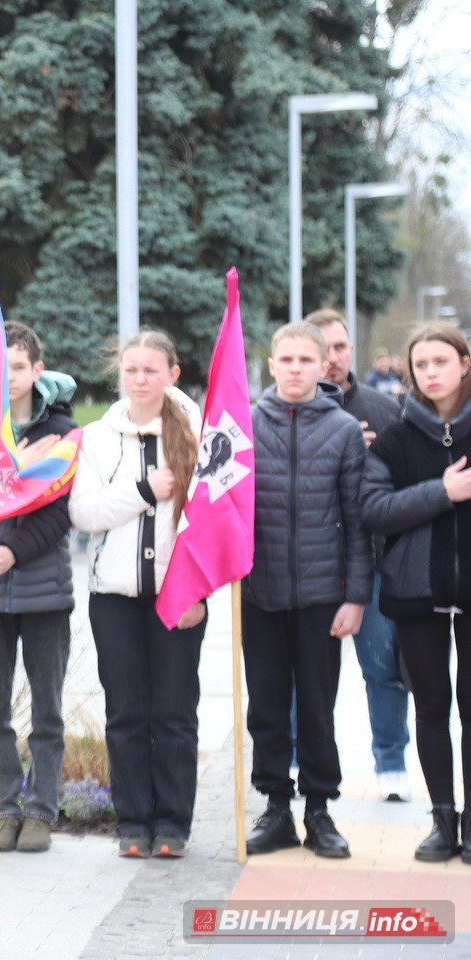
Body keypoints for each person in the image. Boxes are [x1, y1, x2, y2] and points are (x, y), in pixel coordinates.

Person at [68, 330, 206, 859]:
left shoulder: (195, 433)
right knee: (127, 712)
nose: (140, 379)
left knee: (173, 712)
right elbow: (84, 513)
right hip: (116, 597)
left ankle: (172, 823)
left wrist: (197, 590)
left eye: (151, 369)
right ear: (119, 374)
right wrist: (145, 490)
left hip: (179, 595)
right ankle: (133, 821)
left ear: (172, 374)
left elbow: (207, 522)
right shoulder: (99, 437)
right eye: (131, 370)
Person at [241, 320, 370, 859]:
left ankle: (319, 807)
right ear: (271, 365)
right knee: (266, 705)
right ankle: (275, 806)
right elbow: (227, 507)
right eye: (285, 360)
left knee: (318, 706)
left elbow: (357, 519)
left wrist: (356, 596)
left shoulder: (342, 430)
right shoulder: (245, 423)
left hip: (322, 596)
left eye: (305, 361)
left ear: (323, 367)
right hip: (260, 593)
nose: (295, 369)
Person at [0, 322, 77, 854]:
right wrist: (12, 471)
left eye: (19, 368)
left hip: (43, 587)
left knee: (47, 707)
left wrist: (15, 551)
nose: (9, 379)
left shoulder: (64, 431)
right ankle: (4, 807)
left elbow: (60, 513)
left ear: (37, 371)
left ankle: (41, 810)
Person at [362, 323, 471, 862]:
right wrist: (442, 492)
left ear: (464, 364)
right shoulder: (396, 440)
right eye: (421, 364)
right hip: (414, 591)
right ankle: (443, 822)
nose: (430, 373)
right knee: (430, 707)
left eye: (441, 362)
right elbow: (374, 510)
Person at [304, 310, 410, 801]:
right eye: (321, 348)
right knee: (302, 673)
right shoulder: (287, 409)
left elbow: (409, 486)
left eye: (340, 346)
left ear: (352, 350)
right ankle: (298, 762)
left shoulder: (384, 410)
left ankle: (391, 763)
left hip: (377, 560)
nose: (332, 357)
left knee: (384, 667)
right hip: (311, 564)